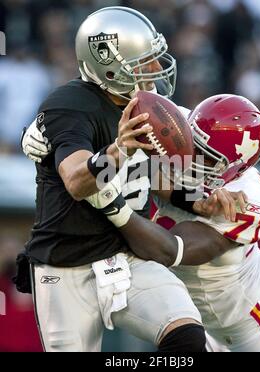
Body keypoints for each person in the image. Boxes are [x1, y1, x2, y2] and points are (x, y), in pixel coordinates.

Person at [17, 6, 210, 352]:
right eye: (144, 61)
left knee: (188, 338)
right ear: (108, 63)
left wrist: (202, 199)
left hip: (127, 258)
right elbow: (77, 182)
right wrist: (119, 149)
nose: (155, 69)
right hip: (66, 266)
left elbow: (155, 177)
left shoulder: (144, 103)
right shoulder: (70, 104)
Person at [67, 94, 260, 352]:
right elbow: (115, 104)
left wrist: (113, 205)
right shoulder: (175, 123)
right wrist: (56, 133)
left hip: (257, 317)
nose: (191, 155)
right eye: (192, 143)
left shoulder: (248, 197)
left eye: (205, 156)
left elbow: (168, 249)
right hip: (202, 321)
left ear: (235, 167)